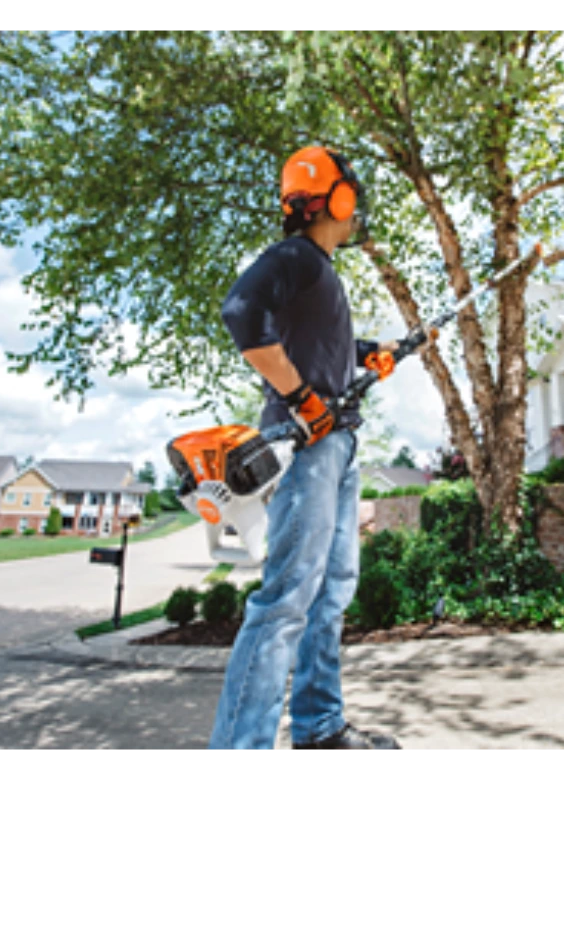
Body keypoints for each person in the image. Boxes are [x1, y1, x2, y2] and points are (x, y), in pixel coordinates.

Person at [208, 146, 407, 751]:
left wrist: (371, 351)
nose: (356, 212)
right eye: (352, 197)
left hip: (336, 446)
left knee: (330, 590)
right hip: (308, 446)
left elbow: (319, 350)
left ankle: (320, 729)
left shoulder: (316, 269)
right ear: (338, 199)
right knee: (287, 599)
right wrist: (303, 400)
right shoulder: (297, 256)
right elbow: (242, 312)